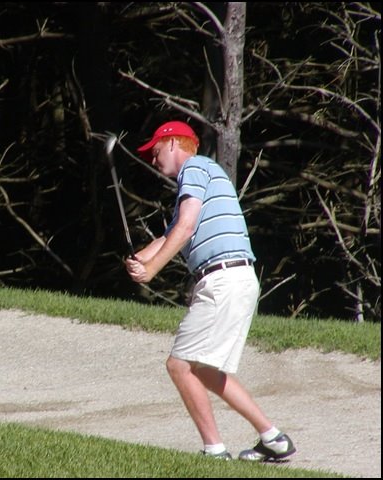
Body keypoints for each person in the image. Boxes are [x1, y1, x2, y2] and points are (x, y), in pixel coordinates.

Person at [125, 120, 296, 461]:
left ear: (172, 144)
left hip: (222, 280)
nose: (153, 161)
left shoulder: (194, 168)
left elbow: (186, 227)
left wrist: (153, 269)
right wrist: (139, 259)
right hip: (236, 279)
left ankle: (214, 451)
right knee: (204, 370)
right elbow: (172, 233)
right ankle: (274, 439)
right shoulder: (199, 182)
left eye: (155, 152)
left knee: (179, 365)